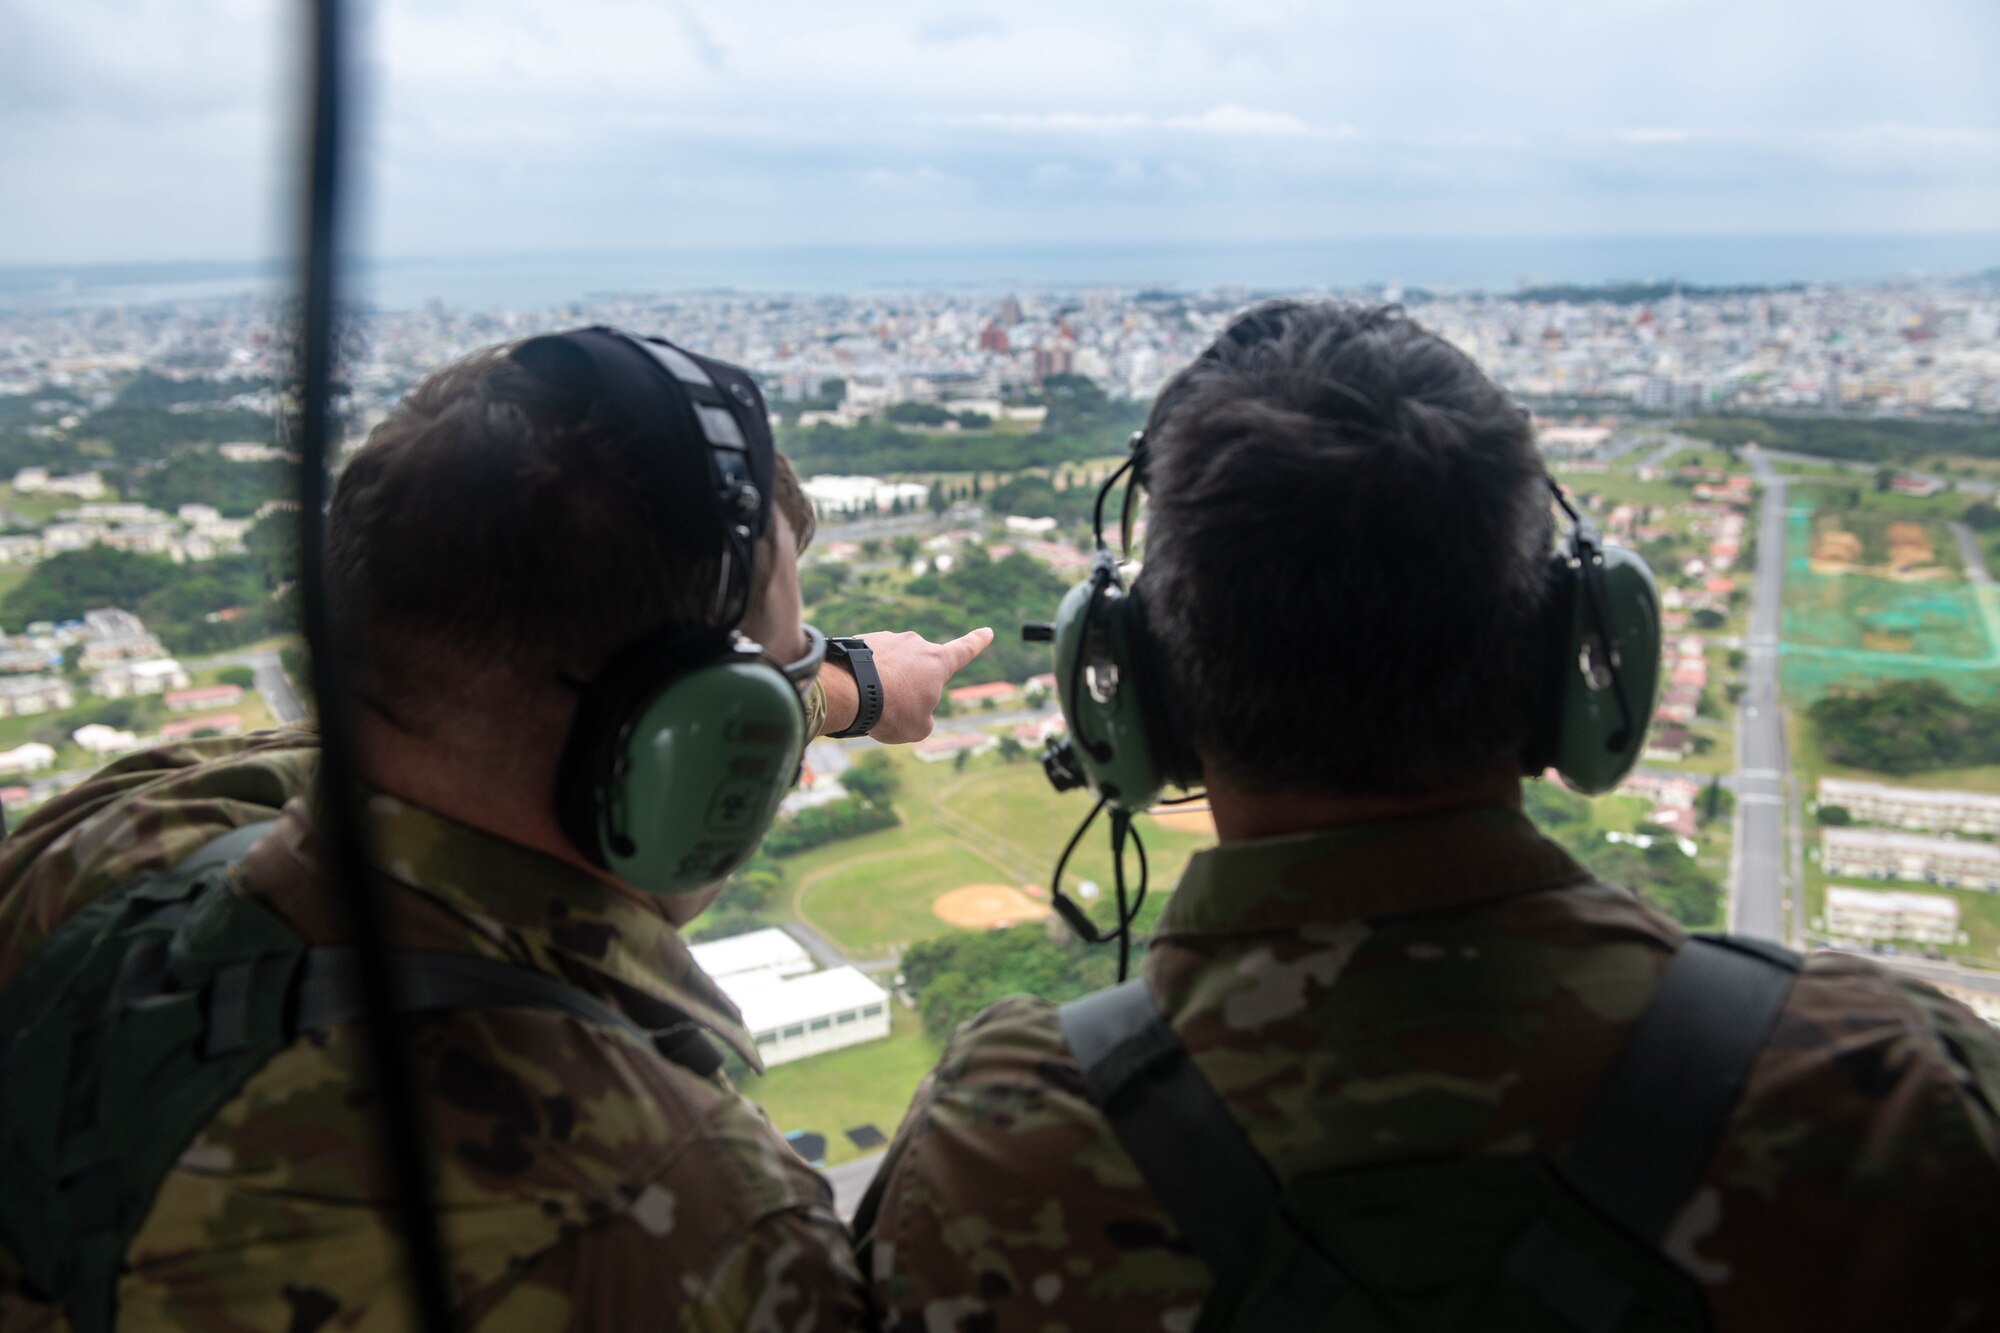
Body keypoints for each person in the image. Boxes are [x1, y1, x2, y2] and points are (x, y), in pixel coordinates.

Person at [856, 302, 2000, 1331]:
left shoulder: (997, 1156)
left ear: (1138, 694)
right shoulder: (1891, 1096)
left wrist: (825, 693)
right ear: (1572, 661)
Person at [0, 330, 991, 1330]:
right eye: (770, 694)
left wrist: (836, 686)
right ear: (698, 735)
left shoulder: (114, 833)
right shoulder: (681, 1220)